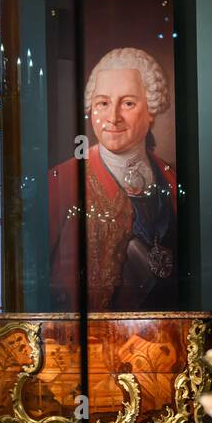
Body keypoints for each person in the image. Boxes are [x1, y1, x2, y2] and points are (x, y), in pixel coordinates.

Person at [48, 47, 177, 311]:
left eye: (128, 103)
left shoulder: (171, 177)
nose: (113, 117)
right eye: (103, 103)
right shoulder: (62, 180)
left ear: (151, 109)